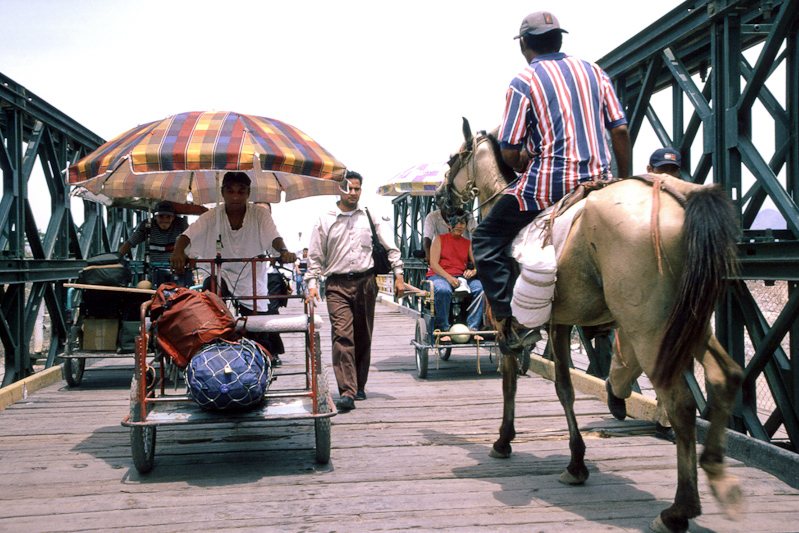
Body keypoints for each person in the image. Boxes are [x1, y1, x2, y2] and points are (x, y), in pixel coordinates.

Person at [472, 10, 631, 357]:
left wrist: (520, 160)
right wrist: (623, 181)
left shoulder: (524, 80)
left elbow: (509, 149)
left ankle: (513, 324)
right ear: (559, 39)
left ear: (524, 45)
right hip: (601, 181)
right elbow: (620, 130)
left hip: (548, 187)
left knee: (484, 239)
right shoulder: (594, 71)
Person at [170, 171, 296, 366]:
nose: (235, 196)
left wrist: (283, 251)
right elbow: (187, 236)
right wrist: (178, 252)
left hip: (251, 276)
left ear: (248, 193)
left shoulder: (259, 214)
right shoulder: (212, 216)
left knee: (256, 323)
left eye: (241, 191)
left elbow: (274, 237)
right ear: (222, 192)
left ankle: (262, 356)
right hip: (221, 273)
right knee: (211, 294)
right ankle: (213, 340)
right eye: (230, 191)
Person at [305, 171, 404, 412]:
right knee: (342, 336)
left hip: (366, 283)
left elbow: (390, 246)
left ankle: (359, 385)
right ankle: (347, 391)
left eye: (356, 189)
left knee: (363, 335)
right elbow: (315, 254)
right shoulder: (325, 218)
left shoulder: (369, 216)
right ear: (339, 190)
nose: (352, 193)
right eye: (348, 188)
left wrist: (399, 275)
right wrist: (312, 283)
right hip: (336, 285)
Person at [605, 147, 681, 443]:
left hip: (672, 290)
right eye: (662, 170)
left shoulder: (681, 201)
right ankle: (616, 388)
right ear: (649, 169)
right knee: (629, 357)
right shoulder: (632, 198)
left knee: (669, 355)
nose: (667, 176)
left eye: (672, 171)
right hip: (638, 290)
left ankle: (666, 420)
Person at [426, 208, 484, 342]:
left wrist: (474, 271)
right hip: (439, 276)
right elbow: (434, 264)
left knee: (480, 289)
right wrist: (449, 277)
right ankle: (444, 329)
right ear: (448, 224)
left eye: (462, 223)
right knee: (442, 290)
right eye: (455, 222)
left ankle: (473, 328)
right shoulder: (439, 240)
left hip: (460, 277)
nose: (459, 226)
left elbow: (478, 264)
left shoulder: (467, 243)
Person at [118, 200, 191, 287]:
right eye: (161, 216)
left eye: (168, 217)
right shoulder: (147, 225)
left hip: (176, 270)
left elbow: (190, 239)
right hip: (155, 272)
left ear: (173, 217)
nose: (164, 220)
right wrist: (116, 258)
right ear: (155, 217)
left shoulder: (181, 224)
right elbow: (130, 243)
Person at [423, 189, 476, 264]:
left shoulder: (466, 215)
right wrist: (428, 253)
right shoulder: (432, 217)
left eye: (451, 204)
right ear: (437, 204)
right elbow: (427, 238)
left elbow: (476, 234)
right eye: (444, 205)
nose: (449, 207)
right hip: (441, 257)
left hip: (463, 256)